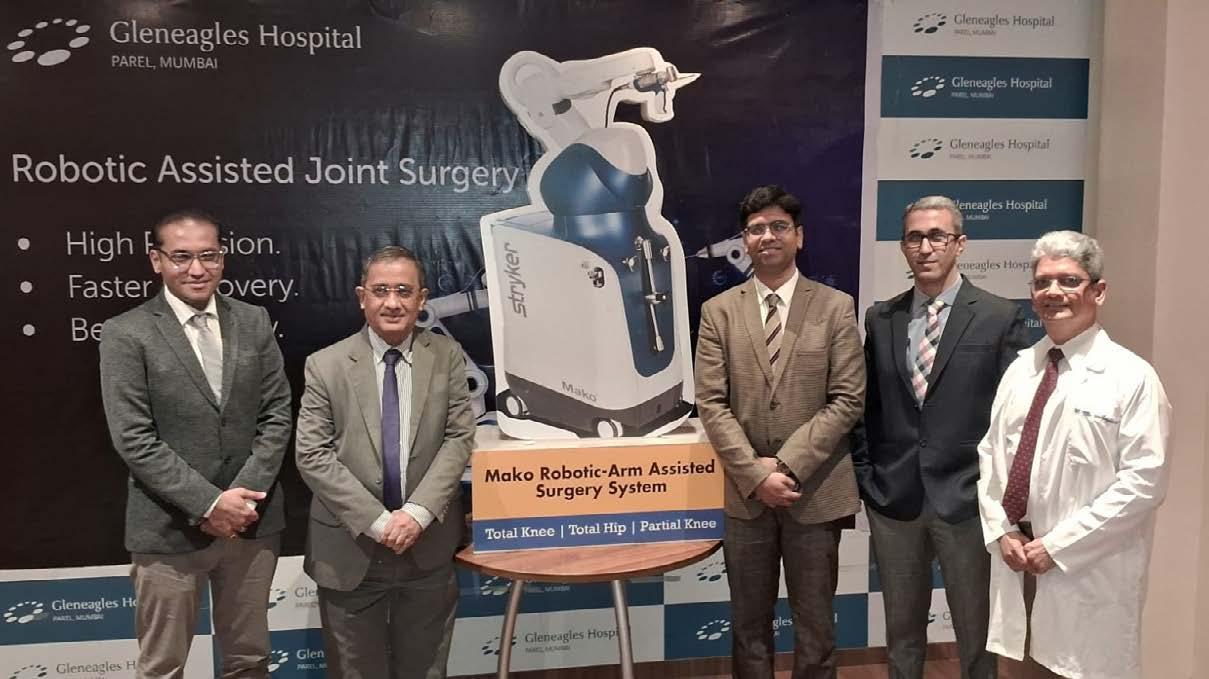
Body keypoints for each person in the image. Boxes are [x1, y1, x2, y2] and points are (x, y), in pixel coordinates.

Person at [99, 210, 292, 678]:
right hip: (167, 530)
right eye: (181, 257)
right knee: (163, 667)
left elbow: (277, 413)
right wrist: (209, 504)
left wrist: (241, 502)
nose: (197, 269)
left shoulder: (253, 320)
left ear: (222, 258)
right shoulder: (127, 333)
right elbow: (134, 438)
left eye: (209, 256)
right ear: (157, 261)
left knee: (250, 661)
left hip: (251, 524)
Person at [977, 231, 1171, 679]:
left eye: (1069, 281)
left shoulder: (1131, 377)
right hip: (1016, 561)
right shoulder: (1021, 370)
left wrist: (1058, 546)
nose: (1053, 292)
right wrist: (1001, 530)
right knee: (1018, 670)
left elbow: (1144, 482)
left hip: (1085, 571)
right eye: (1042, 282)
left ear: (1098, 291)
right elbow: (992, 457)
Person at [853, 196, 1027, 679]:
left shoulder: (997, 316)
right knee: (901, 635)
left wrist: (1001, 495)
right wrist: (867, 477)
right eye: (914, 237)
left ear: (960, 244)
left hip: (967, 500)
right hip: (895, 500)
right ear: (902, 246)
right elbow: (865, 407)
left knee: (976, 636)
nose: (925, 247)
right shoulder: (881, 318)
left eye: (937, 236)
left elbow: (1013, 417)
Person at [695, 185, 865, 679]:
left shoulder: (836, 306)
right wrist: (755, 475)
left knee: (816, 627)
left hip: (815, 491)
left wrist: (787, 467)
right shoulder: (718, 311)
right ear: (744, 241)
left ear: (799, 236)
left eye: (778, 226)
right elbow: (711, 403)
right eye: (755, 229)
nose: (767, 236)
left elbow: (847, 398)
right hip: (746, 497)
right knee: (749, 626)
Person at [295, 245, 475, 679]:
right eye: (380, 291)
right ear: (362, 297)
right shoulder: (325, 365)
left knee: (426, 671)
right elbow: (312, 454)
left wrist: (416, 515)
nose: (392, 302)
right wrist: (379, 522)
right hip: (350, 549)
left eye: (403, 291)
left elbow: (458, 438)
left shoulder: (447, 356)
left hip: (427, 546)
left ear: (422, 298)